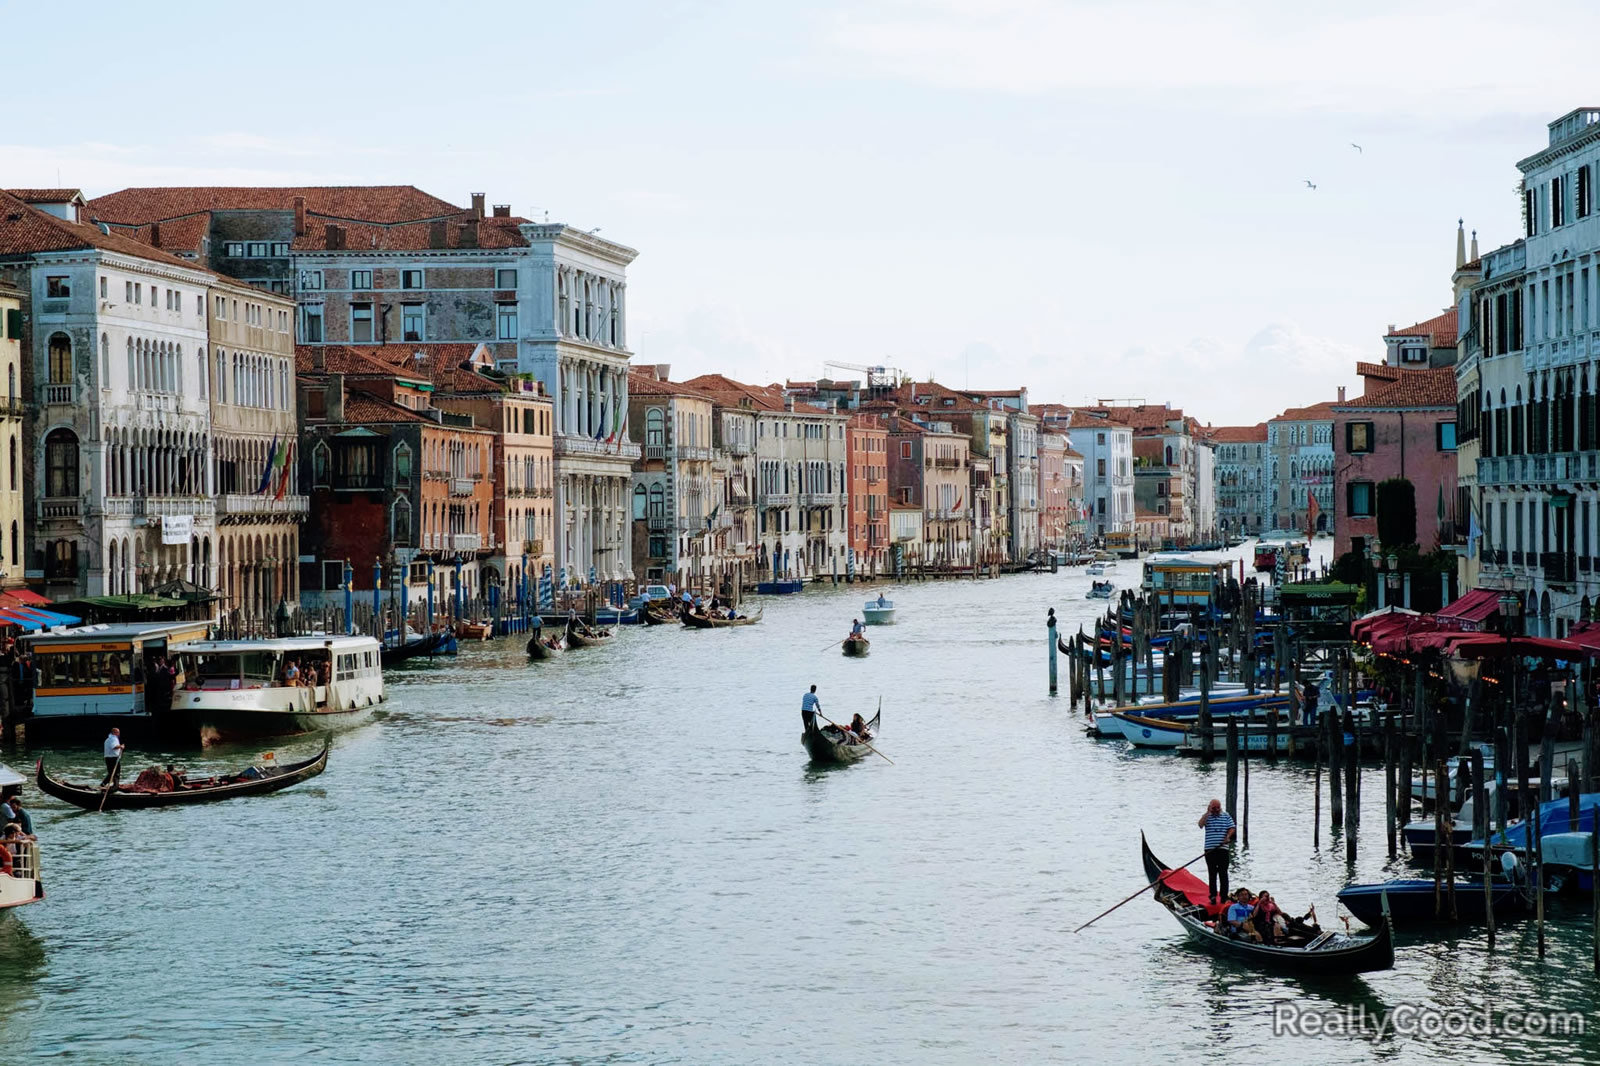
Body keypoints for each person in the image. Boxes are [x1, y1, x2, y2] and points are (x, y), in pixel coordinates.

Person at [1198, 798, 1236, 904]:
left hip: (1222, 849)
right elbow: (1200, 825)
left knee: (1223, 873)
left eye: (1217, 808)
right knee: (1212, 873)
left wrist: (1228, 837)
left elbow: (1232, 827)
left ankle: (1224, 896)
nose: (1216, 810)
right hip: (1210, 849)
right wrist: (1207, 812)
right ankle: (1213, 896)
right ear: (1210, 807)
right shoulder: (1207, 817)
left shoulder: (1226, 816)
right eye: (1214, 808)